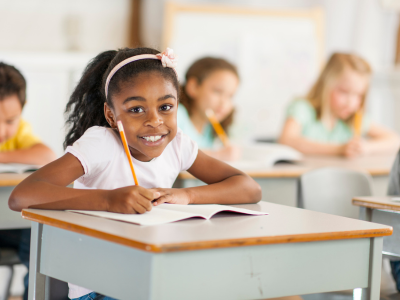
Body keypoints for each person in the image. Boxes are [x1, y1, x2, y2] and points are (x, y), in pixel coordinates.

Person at [8, 47, 261, 300]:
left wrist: (187, 195)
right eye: (136, 110)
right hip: (98, 285)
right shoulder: (100, 144)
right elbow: (22, 196)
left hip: (151, 274)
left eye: (166, 107)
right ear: (111, 114)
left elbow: (248, 188)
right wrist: (108, 200)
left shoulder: (178, 144)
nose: (155, 121)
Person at [0, 62, 56, 300]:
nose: (2, 131)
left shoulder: (20, 132)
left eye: (10, 121)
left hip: (8, 222)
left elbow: (47, 156)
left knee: (38, 234)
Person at [279, 53, 399, 157]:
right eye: (344, 92)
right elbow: (287, 140)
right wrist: (338, 149)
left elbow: (395, 140)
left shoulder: (353, 120)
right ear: (326, 85)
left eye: (359, 95)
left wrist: (366, 148)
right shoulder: (302, 108)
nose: (351, 103)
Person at [179, 57, 240, 160]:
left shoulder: (209, 129)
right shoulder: (175, 115)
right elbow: (173, 153)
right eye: (217, 91)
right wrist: (218, 155)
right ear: (194, 87)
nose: (224, 103)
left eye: (230, 96)